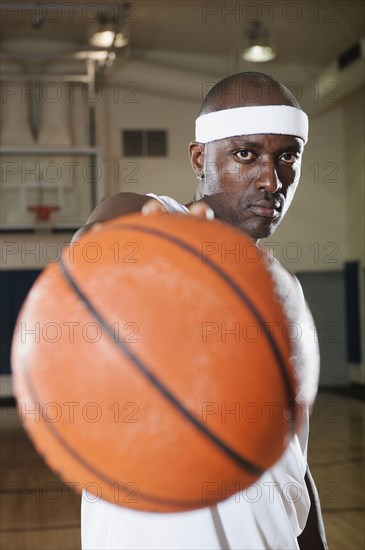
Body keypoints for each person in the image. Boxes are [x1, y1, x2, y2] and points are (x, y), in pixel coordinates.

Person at [77, 72, 328, 549]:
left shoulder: (289, 291)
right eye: (246, 154)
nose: (271, 179)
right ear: (200, 157)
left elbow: (294, 460)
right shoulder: (147, 215)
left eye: (287, 157)